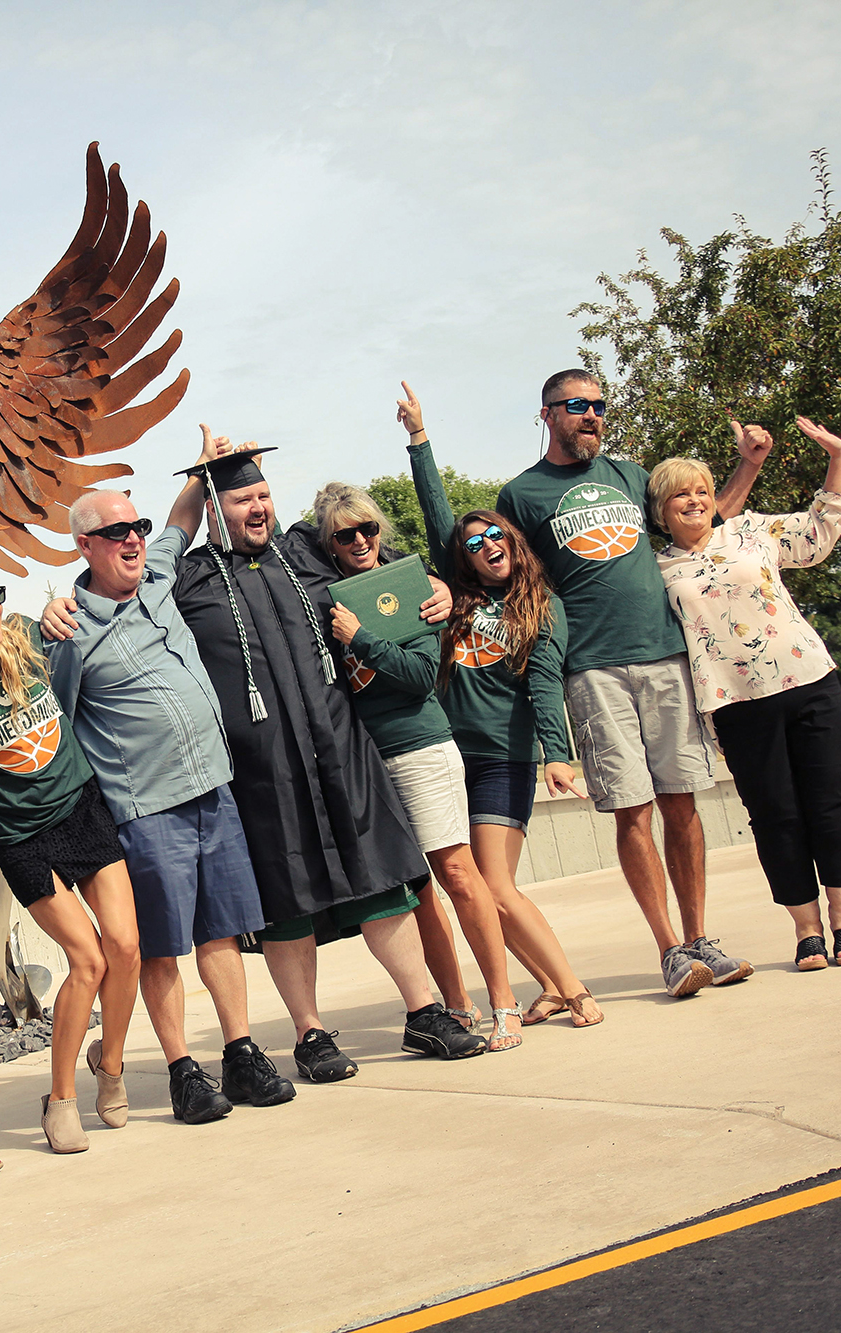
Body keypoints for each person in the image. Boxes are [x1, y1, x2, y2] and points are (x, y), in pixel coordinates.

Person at [31, 449, 298, 1124]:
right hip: (147, 809)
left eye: (137, 526)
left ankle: (240, 1051)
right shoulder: (68, 630)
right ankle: (183, 1066)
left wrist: (201, 470)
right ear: (84, 545)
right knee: (162, 945)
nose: (133, 539)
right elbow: (53, 721)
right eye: (117, 532)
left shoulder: (154, 571)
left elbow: (181, 520)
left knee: (224, 933)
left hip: (215, 788)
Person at [167, 438, 442, 1083]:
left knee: (381, 880)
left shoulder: (304, 553)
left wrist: (436, 588)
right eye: (241, 499)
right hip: (266, 773)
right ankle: (310, 1034)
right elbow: (141, 567)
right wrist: (199, 476)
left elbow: (380, 560)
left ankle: (424, 1009)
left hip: (340, 751)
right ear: (216, 508)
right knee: (288, 900)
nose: (257, 507)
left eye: (262, 494)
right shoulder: (193, 578)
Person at [495, 369, 767, 998]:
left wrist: (747, 465)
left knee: (683, 801)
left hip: (665, 654)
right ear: (547, 415)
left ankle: (701, 940)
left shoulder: (629, 474)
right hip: (591, 668)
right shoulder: (523, 495)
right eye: (576, 406)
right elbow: (511, 578)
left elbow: (699, 518)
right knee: (632, 810)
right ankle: (669, 950)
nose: (590, 416)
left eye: (598, 406)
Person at [0, 561, 141, 1153]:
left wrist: (50, 611)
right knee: (86, 959)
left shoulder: (28, 638)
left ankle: (109, 1062)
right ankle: (59, 1098)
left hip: (82, 807)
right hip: (22, 837)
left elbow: (74, 609)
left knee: (126, 946)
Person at [399, 384, 604, 1028]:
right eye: (473, 543)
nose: (486, 544)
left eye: (496, 537)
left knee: (497, 887)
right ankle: (548, 983)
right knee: (480, 890)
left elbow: (546, 684)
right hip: (445, 759)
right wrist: (419, 442)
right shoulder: (453, 598)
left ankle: (573, 987)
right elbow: (438, 517)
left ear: (514, 543)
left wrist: (558, 754)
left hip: (501, 761)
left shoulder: (543, 609)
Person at [650, 416, 841, 970]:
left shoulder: (750, 531)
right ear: (661, 510)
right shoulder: (655, 570)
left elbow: (821, 531)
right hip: (736, 705)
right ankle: (807, 931)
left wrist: (837, 455)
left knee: (832, 803)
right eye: (680, 495)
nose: (694, 501)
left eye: (701, 490)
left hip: (809, 682)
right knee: (775, 815)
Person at [308, 482, 509, 1055]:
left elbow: (422, 676)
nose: (360, 541)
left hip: (420, 747)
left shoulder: (404, 585)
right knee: (417, 888)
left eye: (368, 528)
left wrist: (361, 638)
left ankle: (503, 1003)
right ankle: (457, 1006)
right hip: (369, 759)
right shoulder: (329, 591)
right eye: (345, 534)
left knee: (458, 874)